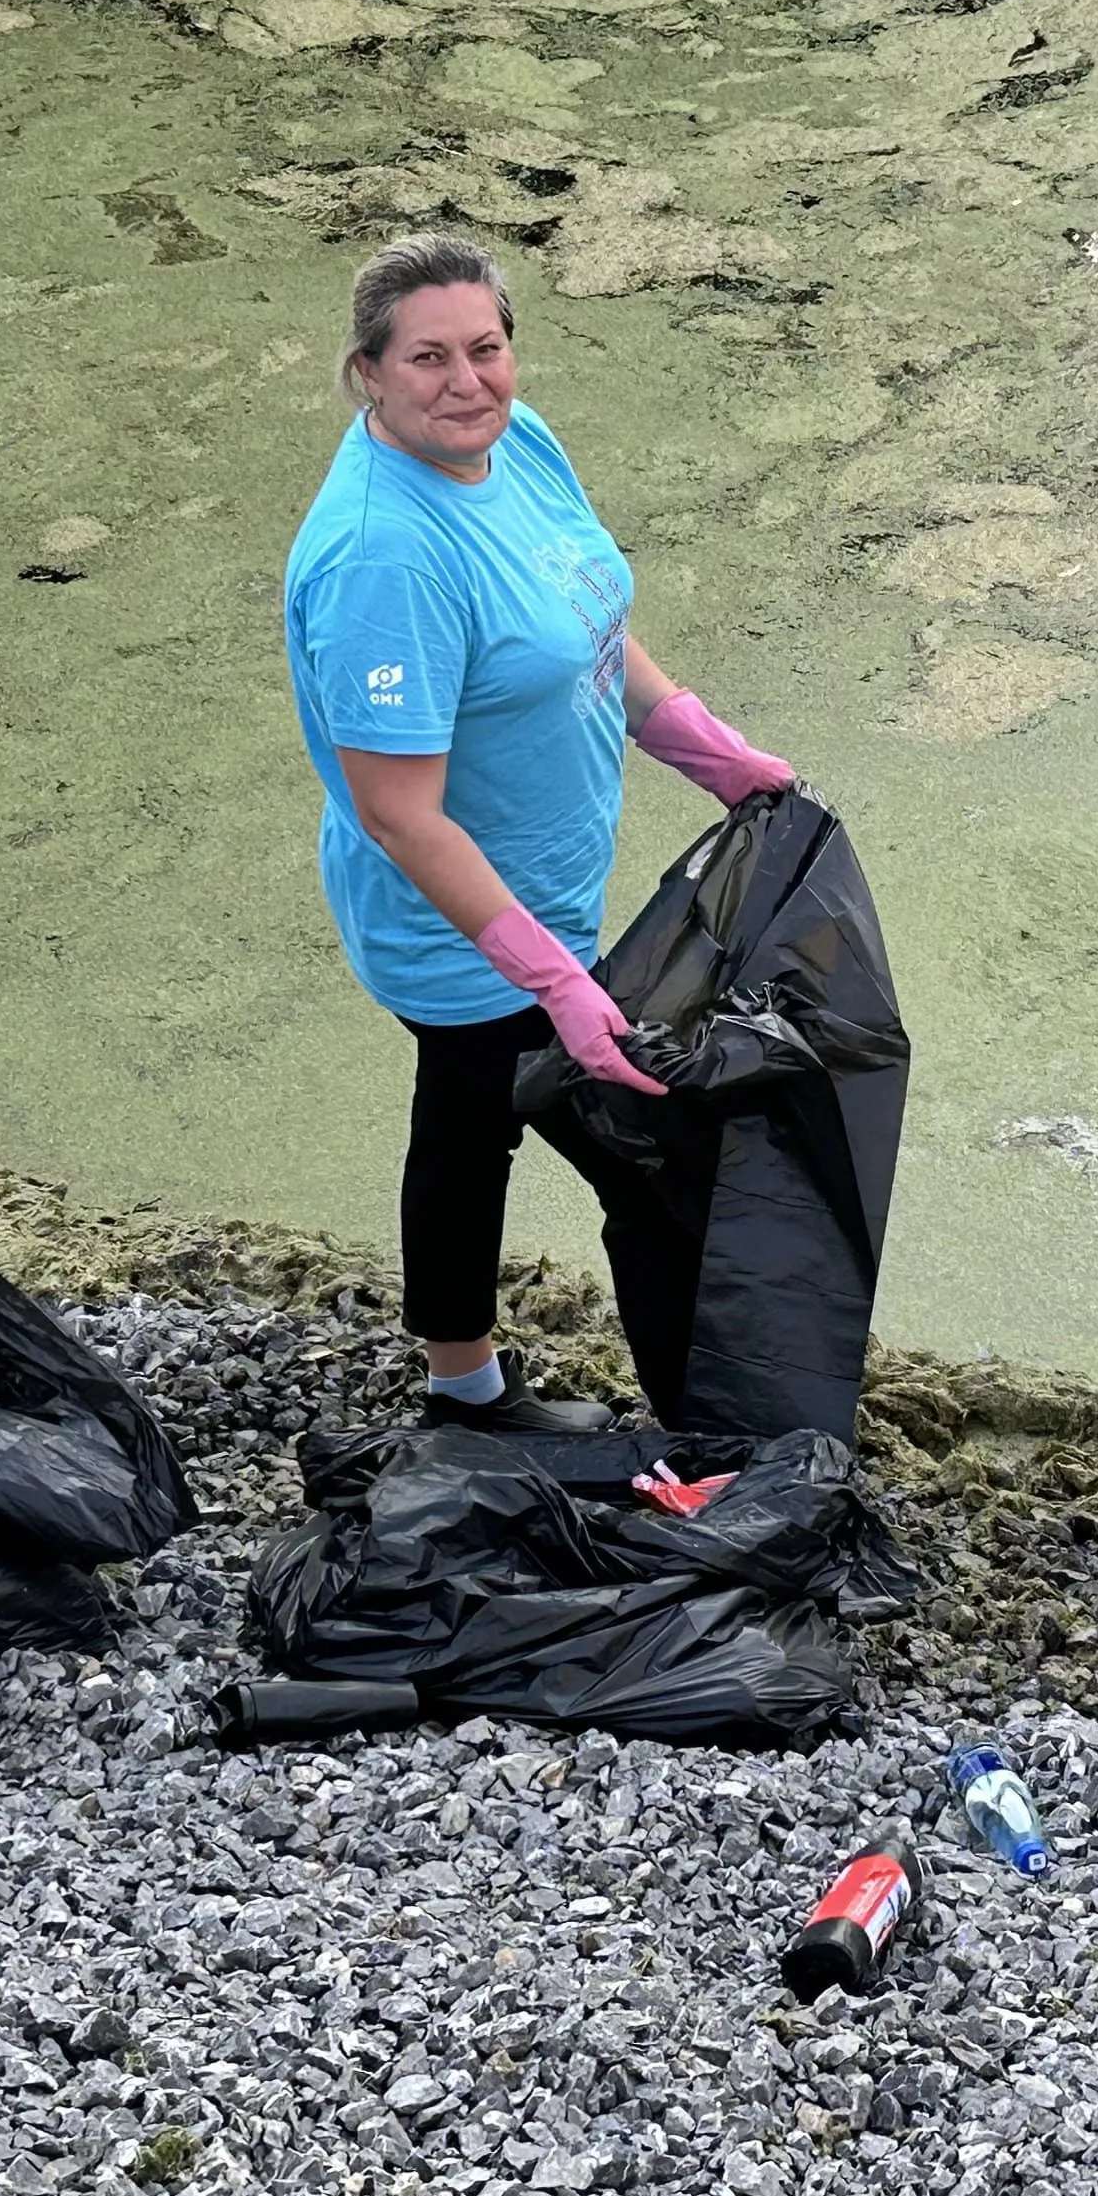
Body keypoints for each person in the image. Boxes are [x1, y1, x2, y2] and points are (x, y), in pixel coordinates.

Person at [282, 233, 795, 1432]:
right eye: (427, 359)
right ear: (366, 373)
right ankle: (713, 1423)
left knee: (466, 1124)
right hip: (459, 919)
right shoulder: (383, 560)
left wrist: (715, 755)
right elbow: (398, 813)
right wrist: (559, 985)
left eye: (487, 348)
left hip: (554, 880)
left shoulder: (517, 443)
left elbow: (588, 620)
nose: (467, 381)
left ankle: (463, 1385)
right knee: (650, 1152)